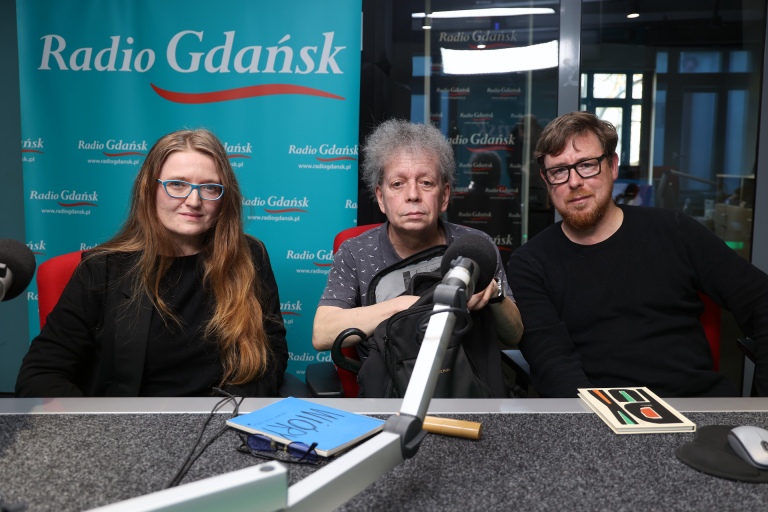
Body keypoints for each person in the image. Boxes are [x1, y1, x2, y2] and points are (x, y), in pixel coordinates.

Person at [507, 111, 768, 398]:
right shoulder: (529, 263)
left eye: (587, 165)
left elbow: (761, 300)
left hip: (694, 408)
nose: (574, 182)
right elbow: (553, 364)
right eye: (559, 171)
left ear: (613, 166)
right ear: (547, 182)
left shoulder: (674, 230)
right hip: (600, 416)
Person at [16, 129, 288, 398]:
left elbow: (271, 357)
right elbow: (41, 373)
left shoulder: (250, 257)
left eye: (209, 187)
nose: (194, 201)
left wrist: (226, 412)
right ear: (150, 189)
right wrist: (92, 432)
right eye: (177, 184)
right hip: (125, 431)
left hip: (220, 424)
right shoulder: (102, 269)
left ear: (224, 198)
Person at [312, 119, 523, 353]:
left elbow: (512, 337)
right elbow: (322, 334)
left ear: (444, 196)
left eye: (426, 182)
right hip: (388, 384)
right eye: (398, 183)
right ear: (381, 198)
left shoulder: (476, 247)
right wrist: (407, 306)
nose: (413, 194)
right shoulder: (355, 252)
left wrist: (495, 295)